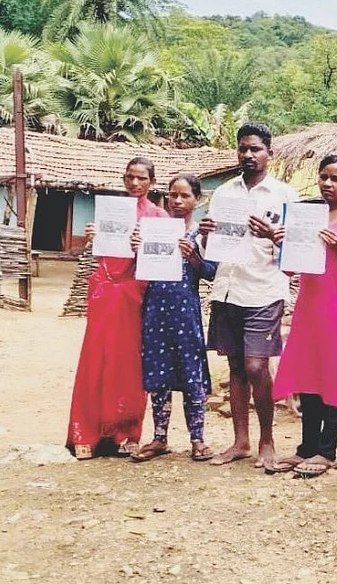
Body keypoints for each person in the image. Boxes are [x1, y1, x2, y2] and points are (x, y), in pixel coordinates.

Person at [267, 155, 337, 477]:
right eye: (324, 177)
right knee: (308, 376)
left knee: (333, 377)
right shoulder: (306, 217)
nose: (328, 184)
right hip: (308, 308)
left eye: (336, 179)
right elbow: (288, 268)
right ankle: (306, 448)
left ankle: (327, 451)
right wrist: (281, 244)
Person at [199, 123, 299, 469]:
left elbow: (301, 249)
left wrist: (275, 235)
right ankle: (240, 441)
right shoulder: (224, 193)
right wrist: (205, 233)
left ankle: (267, 440)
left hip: (265, 288)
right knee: (237, 367)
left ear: (269, 152)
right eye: (242, 148)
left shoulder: (285, 195)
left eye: (255, 149)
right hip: (228, 287)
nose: (248, 155)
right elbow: (209, 247)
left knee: (258, 366)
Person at [66, 157, 168, 460]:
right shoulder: (110, 212)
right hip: (105, 290)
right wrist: (95, 240)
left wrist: (144, 247)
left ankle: (126, 433)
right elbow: (104, 259)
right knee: (95, 359)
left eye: (141, 178)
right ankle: (87, 432)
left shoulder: (159, 216)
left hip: (137, 293)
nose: (135, 183)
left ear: (152, 182)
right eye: (130, 177)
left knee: (128, 363)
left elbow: (161, 262)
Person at [130, 173, 219, 463]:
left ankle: (197, 439)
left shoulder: (202, 234)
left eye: (185, 196)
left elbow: (211, 273)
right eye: (173, 195)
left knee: (191, 374)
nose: (178, 201)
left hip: (185, 313)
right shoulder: (155, 231)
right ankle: (159, 438)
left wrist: (193, 255)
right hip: (155, 311)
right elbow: (139, 271)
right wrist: (137, 250)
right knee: (158, 374)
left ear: (198, 200)